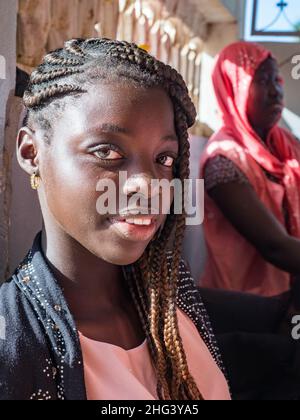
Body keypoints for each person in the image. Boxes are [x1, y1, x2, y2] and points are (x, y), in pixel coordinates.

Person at [0, 38, 230, 400]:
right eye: (107, 150)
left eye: (164, 159)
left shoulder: (169, 292)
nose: (149, 185)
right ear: (32, 152)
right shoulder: (14, 345)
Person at [201, 41, 300, 297]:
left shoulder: (285, 145)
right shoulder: (223, 159)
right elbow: (274, 246)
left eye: (277, 80)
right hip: (246, 305)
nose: (277, 91)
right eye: (264, 81)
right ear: (236, 87)